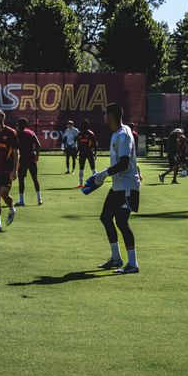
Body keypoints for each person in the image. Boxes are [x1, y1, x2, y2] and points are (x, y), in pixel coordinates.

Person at [82, 103, 140, 274]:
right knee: (106, 217)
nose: (103, 117)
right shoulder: (118, 133)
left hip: (127, 186)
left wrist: (104, 174)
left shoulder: (123, 135)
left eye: (105, 114)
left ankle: (132, 264)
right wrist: (103, 176)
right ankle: (116, 258)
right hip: (119, 185)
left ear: (112, 116)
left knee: (120, 221)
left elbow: (124, 163)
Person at [15, 118, 43, 206]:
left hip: (22, 158)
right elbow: (38, 145)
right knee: (35, 179)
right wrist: (37, 156)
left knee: (21, 179)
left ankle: (21, 201)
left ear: (19, 125)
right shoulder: (31, 133)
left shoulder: (17, 134)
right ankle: (39, 199)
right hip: (31, 157)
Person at [76, 119, 98, 188]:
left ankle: (96, 182)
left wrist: (95, 153)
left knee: (91, 168)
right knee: (83, 168)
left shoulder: (89, 133)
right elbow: (78, 144)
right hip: (84, 153)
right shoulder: (79, 133)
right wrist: (77, 152)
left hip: (88, 153)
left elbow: (95, 144)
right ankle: (81, 184)